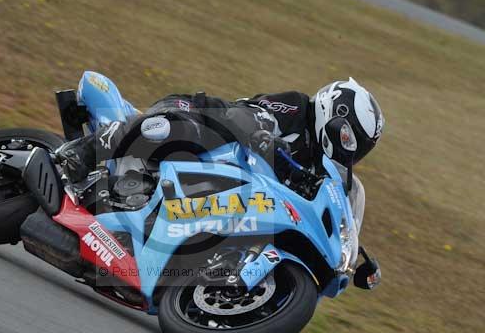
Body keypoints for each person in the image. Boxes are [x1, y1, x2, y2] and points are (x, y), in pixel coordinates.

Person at [56, 76, 384, 233]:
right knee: (192, 128)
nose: (349, 148)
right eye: (349, 135)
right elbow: (250, 118)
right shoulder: (297, 107)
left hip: (215, 187)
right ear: (333, 111)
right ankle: (82, 154)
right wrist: (270, 139)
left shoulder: (317, 167)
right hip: (197, 116)